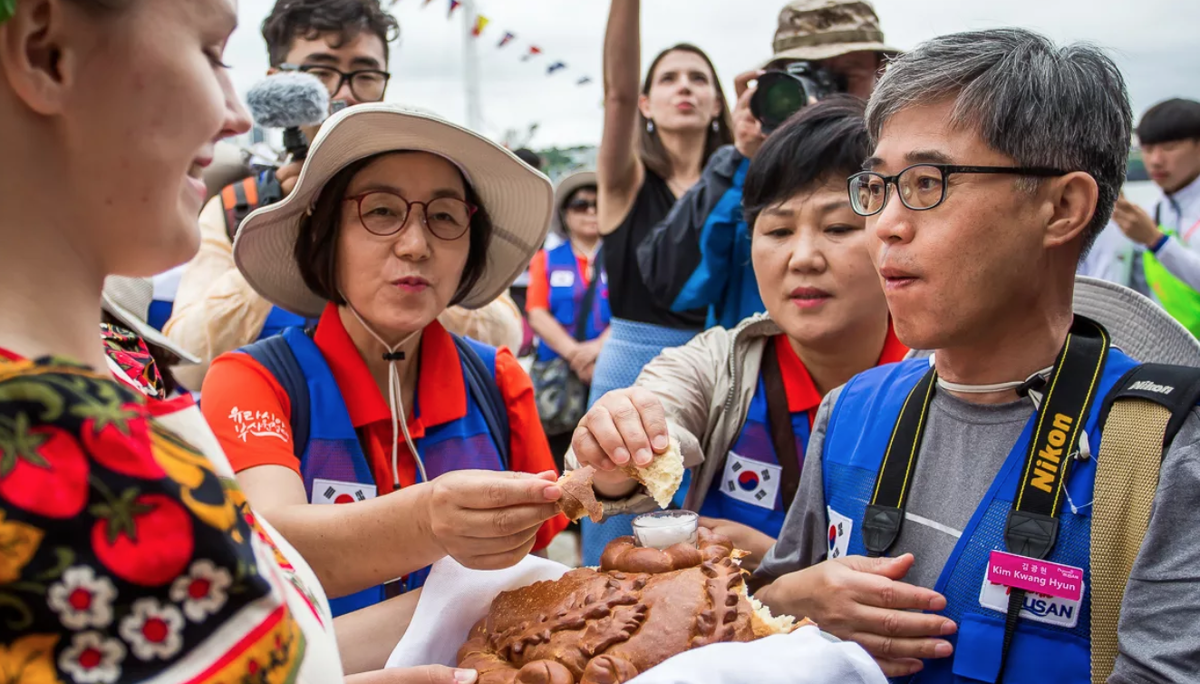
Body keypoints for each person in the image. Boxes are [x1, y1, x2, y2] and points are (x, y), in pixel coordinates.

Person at [0, 0, 482, 681]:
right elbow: (199, 341)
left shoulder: (124, 364)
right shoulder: (41, 428)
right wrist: (279, 232)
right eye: (208, 54)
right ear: (46, 53)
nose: (234, 112)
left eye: (441, 219)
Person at [739, 29, 1200, 683]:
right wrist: (788, 598)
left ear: (1063, 207)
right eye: (877, 186)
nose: (887, 225)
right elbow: (772, 623)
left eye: (928, 182)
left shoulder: (1163, 449)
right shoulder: (852, 411)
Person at [199, 103, 569, 619]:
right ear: (326, 234)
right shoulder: (254, 381)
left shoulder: (498, 380)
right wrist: (428, 521)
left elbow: (536, 580)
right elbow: (268, 542)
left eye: (443, 217)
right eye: (381, 211)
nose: (416, 245)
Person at [569, 97, 909, 572]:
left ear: (891, 233)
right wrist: (618, 448)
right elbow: (660, 411)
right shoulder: (717, 361)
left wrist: (777, 563)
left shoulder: (946, 376)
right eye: (778, 231)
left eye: (837, 226)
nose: (803, 257)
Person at [163, 0, 400, 390]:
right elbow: (187, 365)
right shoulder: (236, 208)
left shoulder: (422, 197)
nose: (345, 95)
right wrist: (278, 234)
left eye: (366, 75)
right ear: (277, 82)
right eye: (320, 72)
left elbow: (499, 335)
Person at [638, 0, 897, 329]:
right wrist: (742, 158)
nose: (825, 96)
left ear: (881, 77)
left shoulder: (904, 169)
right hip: (763, 371)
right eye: (806, 77)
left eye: (843, 79)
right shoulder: (738, 169)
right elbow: (671, 285)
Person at [583, 0, 733, 564]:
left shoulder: (740, 181)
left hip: (718, 366)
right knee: (619, 532)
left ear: (719, 101)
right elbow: (615, 93)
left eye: (699, 77)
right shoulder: (624, 181)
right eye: (668, 78)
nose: (685, 87)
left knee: (706, 534)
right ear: (646, 102)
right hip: (631, 363)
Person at [1082, 98, 1200, 338]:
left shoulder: (1149, 224)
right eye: (1147, 148)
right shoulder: (1152, 210)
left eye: (1170, 147)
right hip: (1174, 347)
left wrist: (1156, 242)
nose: (1155, 160)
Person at [526, 172, 611, 467]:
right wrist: (576, 354)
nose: (591, 211)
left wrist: (597, 349)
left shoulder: (621, 258)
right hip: (560, 374)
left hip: (610, 369)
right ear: (565, 213)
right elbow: (536, 312)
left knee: (610, 453)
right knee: (560, 458)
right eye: (580, 204)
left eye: (598, 204)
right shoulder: (547, 259)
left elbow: (631, 313)